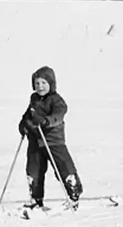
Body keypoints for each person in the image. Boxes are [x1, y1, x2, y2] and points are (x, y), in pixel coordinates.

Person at [18, 66, 83, 210]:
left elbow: (59, 114)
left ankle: (73, 195)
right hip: (36, 140)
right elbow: (28, 115)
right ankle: (36, 199)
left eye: (43, 83)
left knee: (63, 167)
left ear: (51, 84)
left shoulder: (56, 99)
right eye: (37, 83)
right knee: (34, 170)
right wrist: (23, 125)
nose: (40, 86)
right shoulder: (34, 99)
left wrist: (47, 121)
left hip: (53, 140)